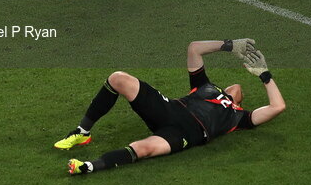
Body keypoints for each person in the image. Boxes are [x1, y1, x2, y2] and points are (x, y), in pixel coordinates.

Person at [55, 38, 286, 174]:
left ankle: (86, 167)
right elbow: (194, 48)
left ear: (239, 100)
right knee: (118, 78)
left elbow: (277, 107)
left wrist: (265, 75)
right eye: (233, 88)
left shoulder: (239, 118)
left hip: (186, 133)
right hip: (170, 110)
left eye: (239, 92)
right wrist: (229, 45)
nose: (237, 87)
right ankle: (82, 132)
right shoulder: (204, 86)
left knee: (142, 149)